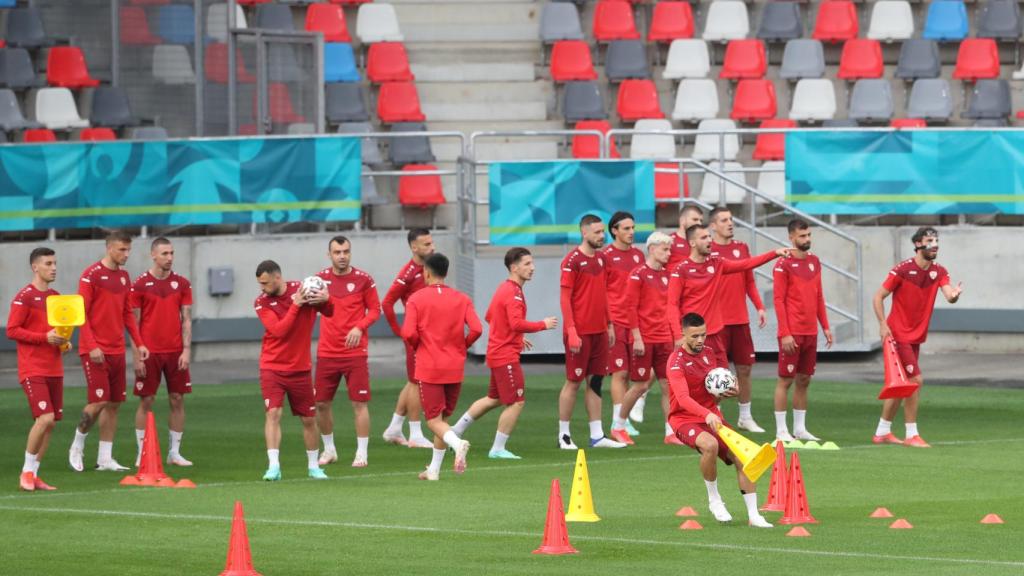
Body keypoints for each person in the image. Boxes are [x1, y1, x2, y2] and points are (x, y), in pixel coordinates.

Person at [667, 313, 773, 528]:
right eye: (694, 336)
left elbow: (713, 387)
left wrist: (727, 392)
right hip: (684, 419)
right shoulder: (676, 362)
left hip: (711, 416)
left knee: (743, 457)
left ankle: (754, 515)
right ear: (683, 334)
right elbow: (682, 398)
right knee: (710, 445)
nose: (700, 340)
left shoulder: (709, 353)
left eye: (703, 335)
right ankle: (715, 500)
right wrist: (706, 413)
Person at [451, 248, 557, 459]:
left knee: (494, 398)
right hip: (505, 356)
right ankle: (497, 449)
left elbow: (492, 316)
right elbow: (516, 322)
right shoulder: (514, 292)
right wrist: (542, 325)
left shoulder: (505, 288)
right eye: (527, 264)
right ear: (514, 267)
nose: (532, 268)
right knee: (516, 401)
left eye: (532, 263)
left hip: (498, 352)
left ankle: (454, 432)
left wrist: (515, 337)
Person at [872, 227, 962, 448]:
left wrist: (954, 296)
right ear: (918, 244)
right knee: (915, 381)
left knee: (903, 385)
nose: (934, 245)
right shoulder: (902, 270)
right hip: (898, 334)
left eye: (936, 240)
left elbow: (948, 293)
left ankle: (882, 431)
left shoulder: (939, 271)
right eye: (930, 240)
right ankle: (912, 434)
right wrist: (883, 324)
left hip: (915, 336)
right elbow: (878, 297)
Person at [69, 231, 149, 473]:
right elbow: (80, 313)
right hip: (94, 349)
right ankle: (77, 444)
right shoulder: (90, 276)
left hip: (116, 349)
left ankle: (105, 457)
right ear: (109, 248)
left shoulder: (124, 278)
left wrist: (139, 342)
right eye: (122, 250)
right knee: (98, 401)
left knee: (113, 403)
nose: (126, 254)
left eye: (128, 250)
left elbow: (127, 313)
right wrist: (91, 345)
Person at [400, 253, 482, 481]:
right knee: (442, 420)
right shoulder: (462, 298)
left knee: (433, 421)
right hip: (454, 366)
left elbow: (408, 332)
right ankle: (433, 470)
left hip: (430, 366)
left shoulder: (416, 298)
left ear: (426, 272)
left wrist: (419, 346)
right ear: (446, 272)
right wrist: (461, 347)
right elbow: (477, 329)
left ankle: (457, 443)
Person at [254, 260, 334, 481]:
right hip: (272, 367)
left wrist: (327, 299)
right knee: (273, 414)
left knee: (309, 419)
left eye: (266, 283)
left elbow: (329, 312)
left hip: (300, 369)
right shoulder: (262, 302)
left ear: (277, 278)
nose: (262, 288)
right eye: (260, 283)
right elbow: (279, 331)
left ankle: (313, 467)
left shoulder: (303, 289)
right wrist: (296, 305)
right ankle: (273, 467)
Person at [667, 224, 789, 368]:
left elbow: (746, 264)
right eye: (704, 237)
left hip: (716, 336)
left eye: (709, 237)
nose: (709, 240)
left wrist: (775, 253)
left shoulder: (717, 263)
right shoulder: (681, 270)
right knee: (696, 385)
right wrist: (678, 336)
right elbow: (672, 305)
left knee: (723, 384)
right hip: (693, 337)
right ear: (692, 243)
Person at [558, 214, 626, 450]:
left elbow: (604, 295)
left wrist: (609, 325)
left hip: (599, 332)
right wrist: (572, 331)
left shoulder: (602, 260)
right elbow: (565, 299)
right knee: (573, 382)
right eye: (597, 232)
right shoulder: (572, 261)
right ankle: (564, 435)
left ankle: (597, 435)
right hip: (580, 333)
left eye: (602, 232)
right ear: (584, 233)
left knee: (596, 381)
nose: (602, 236)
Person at [633, 204, 703, 424]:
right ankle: (637, 401)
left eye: (700, 220)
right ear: (683, 221)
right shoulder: (669, 241)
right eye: (694, 219)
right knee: (657, 371)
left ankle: (674, 423)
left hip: (681, 308)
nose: (698, 224)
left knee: (671, 370)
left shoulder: (695, 244)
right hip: (661, 315)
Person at [314, 236, 381, 468]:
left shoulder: (364, 280)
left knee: (359, 404)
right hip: (327, 352)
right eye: (337, 252)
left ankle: (362, 453)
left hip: (355, 353)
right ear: (329, 254)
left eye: (346, 251)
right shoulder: (319, 280)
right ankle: (329, 449)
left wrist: (359, 327)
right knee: (321, 404)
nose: (342, 256)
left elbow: (375, 310)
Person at [613, 232, 682, 446]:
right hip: (644, 338)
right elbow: (630, 308)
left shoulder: (668, 276)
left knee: (668, 386)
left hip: (664, 339)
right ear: (652, 249)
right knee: (641, 385)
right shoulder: (638, 275)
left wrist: (675, 335)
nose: (668, 254)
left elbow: (671, 308)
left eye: (669, 249)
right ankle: (618, 426)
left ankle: (671, 432)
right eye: (664, 249)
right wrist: (637, 338)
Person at [130, 237, 193, 468]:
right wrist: (137, 355)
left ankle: (174, 453)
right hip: (149, 352)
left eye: (172, 253)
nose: (170, 258)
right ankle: (142, 452)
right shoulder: (139, 285)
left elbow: (186, 319)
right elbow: (133, 324)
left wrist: (186, 351)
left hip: (175, 352)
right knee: (147, 400)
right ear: (153, 255)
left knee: (177, 399)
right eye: (165, 254)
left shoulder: (183, 284)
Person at [8, 248, 67, 491]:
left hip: (55, 368)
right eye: (48, 263)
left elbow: (58, 331)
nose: (54, 267)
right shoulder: (24, 297)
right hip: (33, 368)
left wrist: (64, 341)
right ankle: (26, 472)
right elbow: (12, 330)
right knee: (45, 418)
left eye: (55, 262)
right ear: (35, 267)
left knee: (50, 423)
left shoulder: (55, 297)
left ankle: (34, 475)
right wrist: (44, 337)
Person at [708, 207, 768, 434]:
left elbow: (749, 281)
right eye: (724, 220)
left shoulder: (741, 248)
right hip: (717, 323)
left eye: (731, 219)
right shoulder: (709, 250)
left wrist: (760, 307)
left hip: (740, 320)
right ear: (713, 226)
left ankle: (745, 416)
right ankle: (716, 415)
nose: (730, 223)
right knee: (717, 372)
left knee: (744, 369)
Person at [772, 219, 833, 443]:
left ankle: (800, 429)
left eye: (808, 235)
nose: (807, 240)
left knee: (804, 379)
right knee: (785, 380)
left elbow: (818, 296)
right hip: (792, 332)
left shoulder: (815, 262)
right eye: (802, 236)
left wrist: (825, 326)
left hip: (810, 332)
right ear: (791, 238)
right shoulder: (782, 265)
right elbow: (778, 300)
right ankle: (781, 431)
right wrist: (785, 332)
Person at [380, 228, 435, 448]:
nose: (433, 247)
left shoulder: (428, 268)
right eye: (427, 244)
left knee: (413, 381)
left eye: (432, 243)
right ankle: (415, 433)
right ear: (414, 247)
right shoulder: (408, 273)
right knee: (417, 382)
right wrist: (400, 331)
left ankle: (394, 428)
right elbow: (387, 303)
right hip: (415, 336)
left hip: (427, 335)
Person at [601, 211, 646, 444]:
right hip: (616, 321)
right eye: (626, 229)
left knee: (635, 374)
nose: (631, 232)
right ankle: (619, 420)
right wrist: (607, 323)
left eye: (632, 228)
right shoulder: (606, 256)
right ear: (614, 231)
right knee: (620, 372)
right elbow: (601, 291)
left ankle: (624, 416)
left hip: (636, 323)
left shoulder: (639, 256)